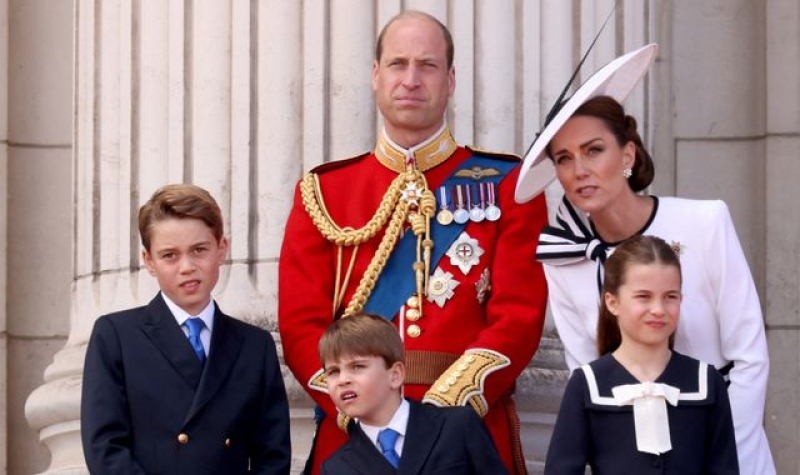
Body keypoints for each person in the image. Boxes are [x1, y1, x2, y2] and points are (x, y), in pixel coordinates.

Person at [279, 10, 548, 475]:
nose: (411, 79)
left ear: (450, 79)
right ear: (375, 76)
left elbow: (519, 316)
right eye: (398, 64)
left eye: (427, 65)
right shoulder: (323, 192)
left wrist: (443, 413)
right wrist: (356, 404)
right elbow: (301, 327)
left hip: (466, 429)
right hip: (354, 436)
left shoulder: (509, 185)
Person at [515, 45, 775, 474]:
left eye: (593, 150)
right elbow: (588, 375)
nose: (579, 169)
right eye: (564, 158)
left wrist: (717, 460)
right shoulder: (562, 258)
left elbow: (749, 359)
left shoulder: (705, 221)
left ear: (628, 156)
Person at [81, 184, 291, 474]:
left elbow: (272, 455)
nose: (187, 266)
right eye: (170, 255)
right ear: (149, 261)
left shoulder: (255, 345)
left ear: (221, 249)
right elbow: (104, 447)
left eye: (199, 250)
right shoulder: (116, 335)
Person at [544, 235, 739, 474]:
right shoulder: (588, 384)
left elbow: (725, 468)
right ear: (612, 302)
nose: (658, 310)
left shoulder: (707, 382)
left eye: (670, 296)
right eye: (643, 296)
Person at [318, 313, 509, 475]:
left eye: (357, 366)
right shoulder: (335, 468)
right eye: (333, 371)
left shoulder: (458, 426)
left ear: (395, 375)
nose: (343, 380)